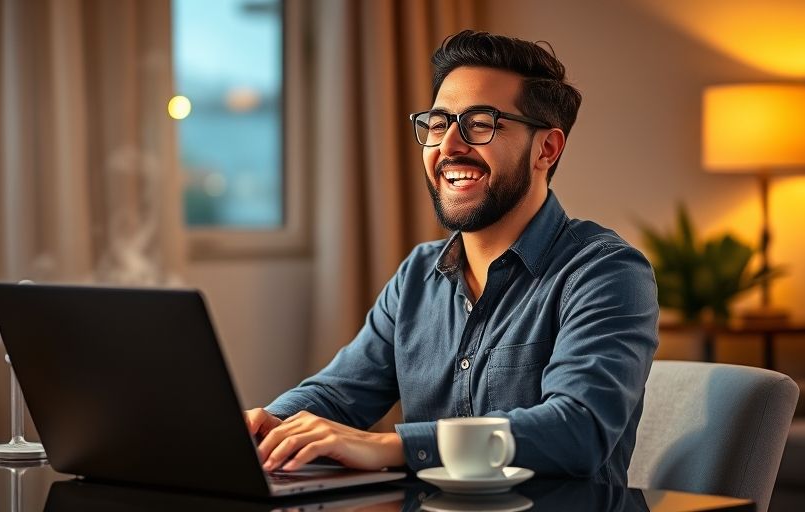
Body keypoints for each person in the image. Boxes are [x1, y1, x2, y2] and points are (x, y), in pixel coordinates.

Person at [245, 30, 658, 487]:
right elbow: (339, 393)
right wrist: (270, 427)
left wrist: (393, 446)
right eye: (438, 124)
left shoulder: (605, 272)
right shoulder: (418, 276)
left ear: (547, 148)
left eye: (480, 123)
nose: (449, 146)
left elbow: (577, 430)